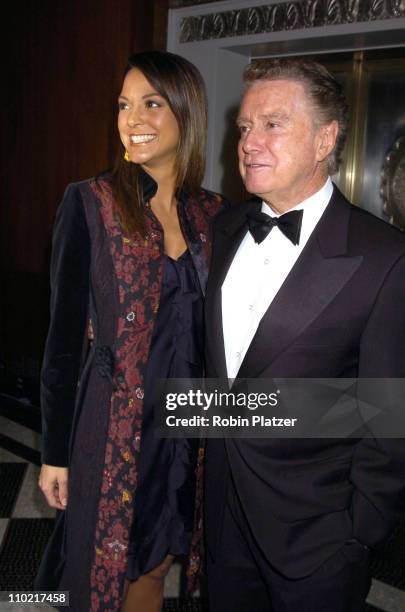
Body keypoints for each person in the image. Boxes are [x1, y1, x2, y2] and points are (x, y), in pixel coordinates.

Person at [204, 58, 405, 611]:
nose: (249, 142)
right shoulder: (224, 231)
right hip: (222, 522)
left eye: (273, 124)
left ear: (326, 140)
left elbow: (387, 416)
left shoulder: (385, 258)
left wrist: (358, 532)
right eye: (245, 127)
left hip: (317, 540)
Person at [36, 50, 227, 611]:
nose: (131, 119)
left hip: (186, 427)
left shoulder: (214, 214)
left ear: (186, 114)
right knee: (98, 570)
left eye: (150, 103)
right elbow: (63, 342)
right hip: (114, 423)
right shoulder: (91, 203)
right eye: (123, 105)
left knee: (158, 557)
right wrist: (54, 453)